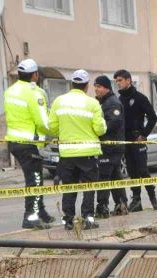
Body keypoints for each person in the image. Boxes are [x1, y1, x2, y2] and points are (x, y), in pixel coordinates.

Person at [49, 70, 106, 230]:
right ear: (87, 85)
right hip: (88, 154)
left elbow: (52, 127)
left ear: (72, 84)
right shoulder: (93, 103)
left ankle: (68, 220)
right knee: (88, 187)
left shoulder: (59, 101)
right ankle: (88, 218)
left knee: (69, 186)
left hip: (67, 154)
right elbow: (100, 129)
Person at [3, 58, 55, 229]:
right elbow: (43, 122)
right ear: (35, 75)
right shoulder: (34, 93)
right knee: (35, 180)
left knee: (36, 178)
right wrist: (57, 133)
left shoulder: (10, 90)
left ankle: (41, 213)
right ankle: (30, 217)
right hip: (29, 143)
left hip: (14, 141)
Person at [114, 69, 157, 212]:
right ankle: (136, 200)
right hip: (126, 140)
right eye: (116, 81)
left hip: (137, 138)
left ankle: (153, 199)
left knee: (143, 170)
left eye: (120, 80)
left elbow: (153, 117)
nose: (118, 84)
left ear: (128, 80)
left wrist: (144, 134)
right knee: (132, 171)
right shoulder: (119, 100)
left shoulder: (139, 97)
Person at [93, 75, 127, 218]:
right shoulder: (102, 102)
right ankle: (121, 205)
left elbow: (114, 123)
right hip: (109, 146)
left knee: (104, 176)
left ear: (106, 88)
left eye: (99, 86)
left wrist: (97, 129)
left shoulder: (112, 103)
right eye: (95, 86)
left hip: (111, 146)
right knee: (114, 175)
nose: (96, 89)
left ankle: (102, 207)